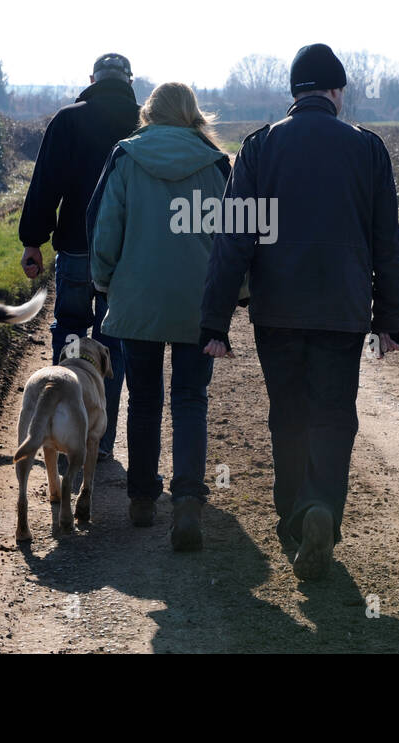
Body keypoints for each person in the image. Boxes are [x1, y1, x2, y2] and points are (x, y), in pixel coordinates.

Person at [200, 43, 399, 582]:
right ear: (336, 92)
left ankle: (296, 516)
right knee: (335, 414)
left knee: (288, 414)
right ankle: (321, 508)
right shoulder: (369, 149)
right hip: (343, 311)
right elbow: (388, 242)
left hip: (278, 312)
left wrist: (214, 321)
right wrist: (389, 319)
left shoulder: (260, 148)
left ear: (295, 93)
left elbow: (232, 240)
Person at [87, 82, 235, 550]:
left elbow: (107, 225)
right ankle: (188, 499)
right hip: (198, 303)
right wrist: (238, 295)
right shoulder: (215, 164)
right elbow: (231, 237)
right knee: (191, 398)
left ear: (149, 112)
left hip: (138, 298)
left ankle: (142, 498)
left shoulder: (127, 157)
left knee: (144, 398)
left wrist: (103, 279)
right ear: (193, 114)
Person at [19, 52, 137, 462]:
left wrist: (32, 241)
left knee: (69, 331)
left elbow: (45, 185)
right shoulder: (143, 123)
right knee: (113, 343)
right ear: (128, 80)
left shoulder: (68, 120)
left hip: (74, 248)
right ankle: (99, 442)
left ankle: (63, 431)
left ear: (92, 78)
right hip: (124, 253)